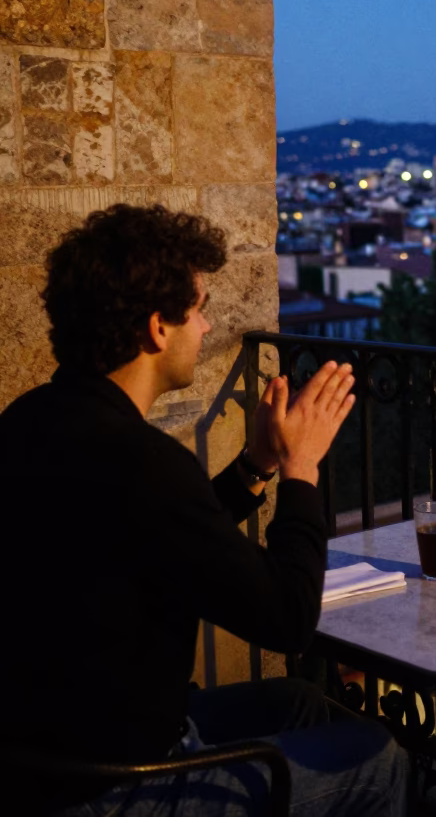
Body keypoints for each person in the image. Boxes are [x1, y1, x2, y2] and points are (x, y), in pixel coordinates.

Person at [0, 203, 409, 816]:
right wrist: (302, 470)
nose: (209, 326)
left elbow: (161, 533)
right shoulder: (141, 460)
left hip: (39, 759)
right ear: (157, 328)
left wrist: (257, 466)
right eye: (198, 310)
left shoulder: (31, 420)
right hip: (116, 784)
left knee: (296, 700)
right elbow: (288, 618)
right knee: (377, 758)